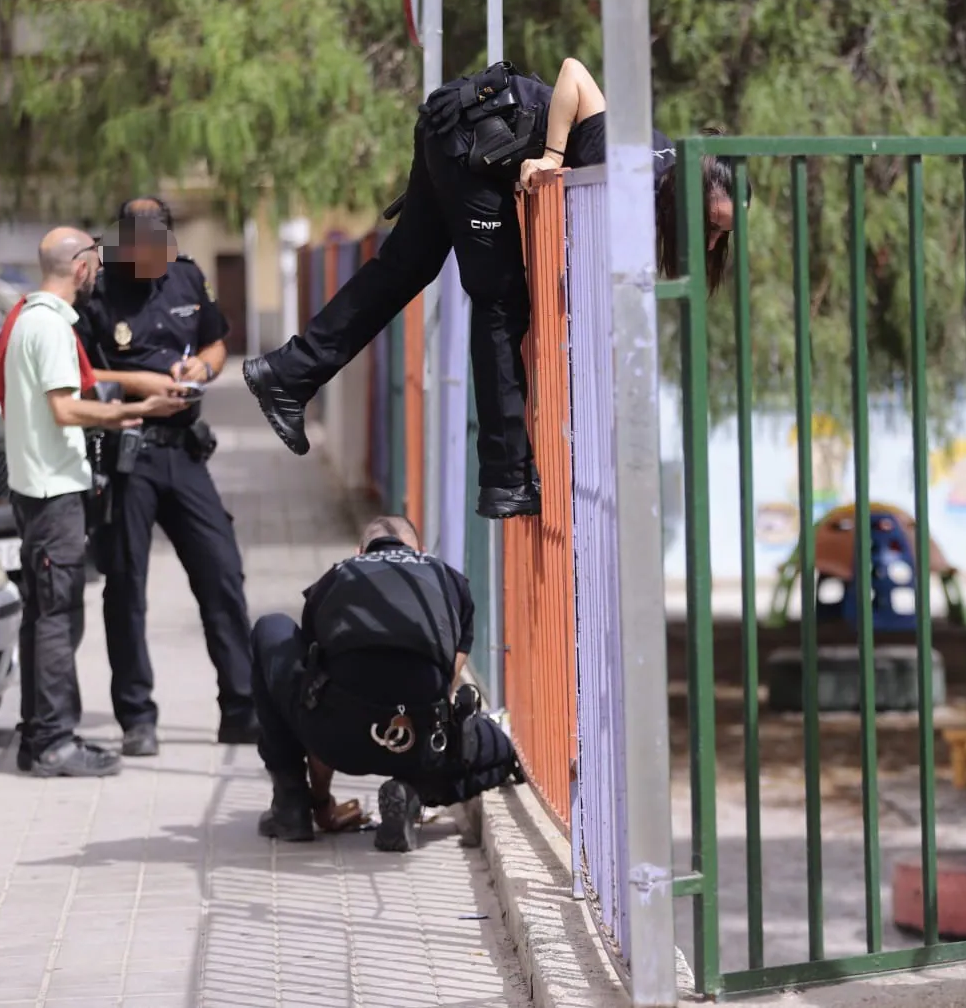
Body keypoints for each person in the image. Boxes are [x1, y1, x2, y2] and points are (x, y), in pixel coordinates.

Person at [242, 57, 746, 520]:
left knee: (404, 268)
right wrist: (550, 156)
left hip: (463, 129)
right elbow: (573, 73)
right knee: (501, 301)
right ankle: (506, 477)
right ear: (684, 195)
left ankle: (287, 372)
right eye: (712, 223)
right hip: (472, 139)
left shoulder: (656, 175)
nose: (713, 241)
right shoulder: (634, 169)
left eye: (724, 234)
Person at [0, 227, 188, 776]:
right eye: (95, 262)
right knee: (57, 619)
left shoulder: (32, 318)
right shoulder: (48, 327)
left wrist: (134, 389)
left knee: (44, 615)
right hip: (52, 493)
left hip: (39, 488)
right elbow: (66, 409)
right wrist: (133, 412)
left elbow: (76, 390)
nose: (99, 271)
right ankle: (54, 743)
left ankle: (38, 736)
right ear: (78, 267)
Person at [75, 197, 259, 757]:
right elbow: (78, 371)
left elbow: (216, 341)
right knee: (126, 586)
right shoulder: (99, 289)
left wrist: (200, 367)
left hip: (183, 451)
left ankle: (242, 708)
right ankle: (137, 716)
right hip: (128, 453)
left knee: (222, 573)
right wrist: (142, 386)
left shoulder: (186, 276)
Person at [250, 514, 522, 852]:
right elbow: (445, 688)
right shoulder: (449, 580)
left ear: (359, 551)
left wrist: (321, 802)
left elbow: (313, 687)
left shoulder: (337, 576)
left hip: (338, 739)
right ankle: (414, 792)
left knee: (271, 628)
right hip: (421, 743)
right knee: (502, 754)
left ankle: (291, 805)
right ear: (421, 551)